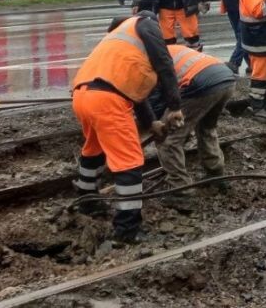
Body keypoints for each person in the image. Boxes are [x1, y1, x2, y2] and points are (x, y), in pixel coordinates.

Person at [71, 12, 184, 243]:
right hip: (108, 100)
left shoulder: (119, 39)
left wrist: (150, 123)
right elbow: (165, 63)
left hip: (82, 95)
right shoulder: (147, 25)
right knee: (129, 162)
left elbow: (134, 93)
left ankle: (87, 202)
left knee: (93, 150)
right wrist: (175, 106)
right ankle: (127, 229)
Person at [151, 45, 237, 198]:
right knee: (206, 127)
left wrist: (156, 123)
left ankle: (181, 189)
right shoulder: (170, 48)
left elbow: (157, 98)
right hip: (226, 79)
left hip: (200, 85)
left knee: (167, 139)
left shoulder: (147, 60)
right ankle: (216, 174)